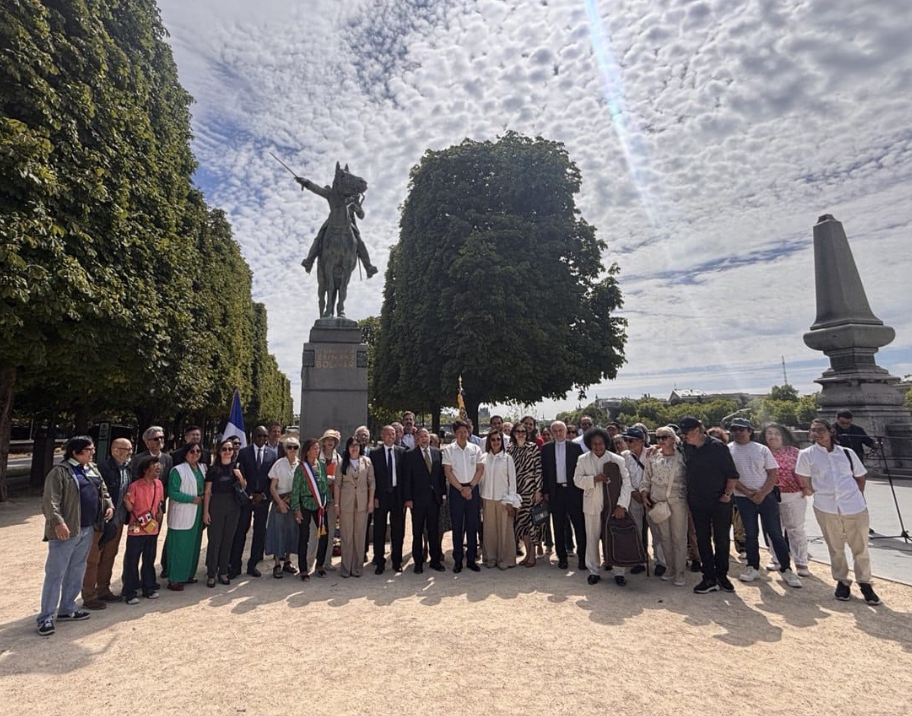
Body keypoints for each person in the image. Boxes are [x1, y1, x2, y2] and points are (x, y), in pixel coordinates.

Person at [796, 419, 881, 605]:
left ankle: (865, 582)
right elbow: (804, 479)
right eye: (813, 430)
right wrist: (817, 492)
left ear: (830, 431)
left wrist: (856, 496)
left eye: (820, 430)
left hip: (854, 506)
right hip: (826, 506)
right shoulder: (806, 455)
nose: (816, 434)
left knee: (860, 547)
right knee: (835, 547)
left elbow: (860, 477)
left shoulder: (847, 453)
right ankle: (842, 581)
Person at [36, 437, 113, 637]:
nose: (92, 452)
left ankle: (67, 608)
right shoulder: (60, 472)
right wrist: (57, 522)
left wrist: (108, 505)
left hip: (87, 528)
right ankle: (45, 617)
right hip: (66, 530)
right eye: (89, 450)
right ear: (75, 452)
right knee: (56, 574)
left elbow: (103, 491)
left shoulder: (92, 468)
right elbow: (50, 501)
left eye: (92, 449)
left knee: (77, 570)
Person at [727, 418, 802, 588]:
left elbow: (772, 474)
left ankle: (786, 568)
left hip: (766, 496)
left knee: (775, 533)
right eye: (734, 429)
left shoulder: (761, 449)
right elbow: (731, 475)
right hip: (743, 497)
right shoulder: (728, 450)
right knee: (750, 533)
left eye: (741, 429)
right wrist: (748, 493)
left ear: (750, 431)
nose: (738, 432)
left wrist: (762, 493)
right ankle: (753, 566)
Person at [679, 416, 739, 595]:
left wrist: (727, 495)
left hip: (719, 500)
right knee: (702, 539)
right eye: (683, 433)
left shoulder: (718, 447)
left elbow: (732, 474)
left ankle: (722, 575)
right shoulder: (686, 447)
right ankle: (709, 577)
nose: (685, 436)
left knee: (721, 540)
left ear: (698, 430)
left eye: (687, 433)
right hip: (697, 501)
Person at [573, 427, 631, 586]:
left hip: (613, 505)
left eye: (600, 443)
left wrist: (622, 505)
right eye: (594, 444)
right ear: (589, 444)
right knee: (592, 539)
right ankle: (594, 571)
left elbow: (626, 483)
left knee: (615, 538)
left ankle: (618, 572)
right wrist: (593, 479)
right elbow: (577, 480)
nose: (598, 446)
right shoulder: (583, 459)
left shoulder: (617, 459)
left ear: (606, 443)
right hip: (592, 505)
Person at [82, 437, 133, 609]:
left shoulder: (127, 469)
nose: (130, 453)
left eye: (130, 449)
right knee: (93, 560)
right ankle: (89, 595)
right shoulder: (102, 469)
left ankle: (103, 590)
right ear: (115, 450)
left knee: (109, 557)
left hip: (118, 521)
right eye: (127, 449)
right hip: (100, 523)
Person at [759, 423, 811, 576]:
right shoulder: (760, 452)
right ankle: (776, 559)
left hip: (793, 495)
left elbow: (804, 472)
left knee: (796, 529)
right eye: (769, 433)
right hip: (769, 496)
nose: (773, 437)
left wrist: (806, 487)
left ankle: (801, 561)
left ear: (784, 436)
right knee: (773, 530)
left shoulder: (795, 452)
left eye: (777, 433)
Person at [641, 426, 689, 586]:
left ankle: (680, 571)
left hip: (677, 499)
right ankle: (670, 568)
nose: (660, 440)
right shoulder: (653, 456)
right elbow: (647, 478)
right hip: (658, 500)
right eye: (658, 437)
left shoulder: (682, 457)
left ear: (672, 439)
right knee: (664, 536)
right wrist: (644, 493)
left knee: (679, 537)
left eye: (664, 437)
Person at [230, 426, 276, 578]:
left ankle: (253, 565)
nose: (262, 439)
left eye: (265, 436)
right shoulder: (244, 453)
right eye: (259, 436)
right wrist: (249, 494)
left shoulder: (272, 454)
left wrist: (263, 495)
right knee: (240, 531)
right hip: (246, 499)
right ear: (253, 436)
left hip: (263, 499)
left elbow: (272, 478)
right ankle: (235, 566)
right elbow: (240, 475)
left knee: (259, 532)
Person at [541, 421, 586, 571]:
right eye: (555, 431)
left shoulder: (575, 447)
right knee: (558, 526)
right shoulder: (546, 448)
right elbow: (545, 472)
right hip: (556, 492)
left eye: (561, 430)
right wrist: (546, 492)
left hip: (573, 491)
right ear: (551, 433)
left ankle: (582, 557)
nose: (558, 433)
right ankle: (562, 557)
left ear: (566, 431)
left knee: (579, 525)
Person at [122, 455, 165, 604]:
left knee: (149, 559)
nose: (158, 468)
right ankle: (130, 592)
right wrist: (127, 502)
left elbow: (159, 503)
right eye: (154, 465)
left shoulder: (159, 484)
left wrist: (159, 514)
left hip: (152, 527)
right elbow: (129, 507)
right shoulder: (135, 486)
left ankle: (149, 588)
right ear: (146, 469)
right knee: (132, 561)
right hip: (136, 528)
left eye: (159, 465)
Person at [443, 419, 485, 573]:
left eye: (465, 431)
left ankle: (472, 558)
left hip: (472, 488)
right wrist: (461, 488)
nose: (462, 434)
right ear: (455, 433)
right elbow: (448, 472)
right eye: (459, 432)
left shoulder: (475, 449)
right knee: (457, 526)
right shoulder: (449, 450)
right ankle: (458, 559)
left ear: (468, 432)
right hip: (457, 490)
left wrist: (471, 487)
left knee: (472, 524)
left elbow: (480, 469)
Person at [204, 438, 246, 587]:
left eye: (230, 449)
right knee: (215, 541)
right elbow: (207, 492)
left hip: (233, 506)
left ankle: (223, 571)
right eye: (224, 449)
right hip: (216, 505)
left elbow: (243, 486)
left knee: (228, 540)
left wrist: (239, 476)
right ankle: (211, 573)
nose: (227, 452)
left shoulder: (237, 467)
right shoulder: (213, 469)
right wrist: (205, 512)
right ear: (219, 452)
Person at [403, 428, 447, 573]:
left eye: (426, 436)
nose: (424, 438)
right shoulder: (410, 455)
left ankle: (435, 561)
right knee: (417, 532)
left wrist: (443, 495)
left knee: (434, 531)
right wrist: (408, 498)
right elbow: (407, 478)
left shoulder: (437, 453)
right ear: (416, 438)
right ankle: (418, 562)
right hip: (417, 501)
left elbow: (441, 477)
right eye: (421, 436)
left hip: (434, 500)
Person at [164, 442, 206, 591]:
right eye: (192, 451)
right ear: (185, 453)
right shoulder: (178, 470)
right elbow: (173, 492)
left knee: (193, 545)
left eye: (198, 451)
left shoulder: (203, 468)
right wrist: (191, 499)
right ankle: (175, 579)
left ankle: (188, 575)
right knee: (180, 547)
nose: (195, 454)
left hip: (198, 511)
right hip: (183, 511)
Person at [132, 425, 173, 578]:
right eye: (156, 438)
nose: (160, 441)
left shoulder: (168, 459)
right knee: (136, 547)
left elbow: (167, 483)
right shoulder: (138, 459)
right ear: (147, 442)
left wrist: (160, 503)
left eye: (162, 438)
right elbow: (134, 482)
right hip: (140, 511)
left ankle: (148, 579)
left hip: (158, 510)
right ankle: (131, 581)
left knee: (151, 543)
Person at [621, 427, 660, 576]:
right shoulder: (624, 456)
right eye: (626, 440)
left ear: (640, 441)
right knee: (636, 529)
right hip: (633, 495)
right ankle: (638, 560)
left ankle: (660, 561)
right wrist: (633, 492)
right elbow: (624, 477)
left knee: (656, 530)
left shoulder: (652, 453)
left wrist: (646, 493)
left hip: (650, 496)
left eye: (631, 440)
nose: (628, 443)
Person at [336, 437, 375, 578]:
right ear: (347, 448)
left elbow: (372, 483)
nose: (354, 448)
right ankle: (346, 568)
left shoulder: (367, 461)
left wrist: (370, 502)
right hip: (346, 503)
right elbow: (337, 485)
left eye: (357, 445)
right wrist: (337, 504)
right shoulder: (342, 463)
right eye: (352, 446)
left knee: (359, 535)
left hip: (362, 503)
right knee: (347, 535)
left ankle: (357, 567)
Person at [370, 425, 406, 573]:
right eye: (388, 434)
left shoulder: (402, 452)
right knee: (379, 529)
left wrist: (405, 497)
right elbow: (372, 477)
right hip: (381, 496)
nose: (391, 437)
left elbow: (405, 477)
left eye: (393, 434)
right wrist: (374, 496)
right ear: (382, 436)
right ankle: (379, 562)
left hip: (397, 496)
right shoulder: (374, 454)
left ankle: (397, 561)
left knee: (398, 530)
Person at [479, 430, 517, 570]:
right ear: (489, 441)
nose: (496, 442)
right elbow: (480, 480)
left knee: (505, 530)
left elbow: (512, 481)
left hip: (503, 499)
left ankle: (505, 558)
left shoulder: (507, 459)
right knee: (489, 529)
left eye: (498, 439)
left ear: (502, 441)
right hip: (487, 498)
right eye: (493, 439)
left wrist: (510, 501)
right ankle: (490, 557)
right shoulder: (483, 458)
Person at [292, 438, 330, 580]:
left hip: (320, 505)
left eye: (318, 448)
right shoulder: (301, 468)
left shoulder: (321, 465)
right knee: (304, 536)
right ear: (307, 451)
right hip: (305, 504)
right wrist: (296, 509)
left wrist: (327, 500)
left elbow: (324, 484)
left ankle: (319, 565)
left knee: (324, 534)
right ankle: (303, 569)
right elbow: (295, 489)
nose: (317, 450)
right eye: (314, 448)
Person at [508, 422, 544, 567]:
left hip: (531, 491)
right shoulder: (510, 449)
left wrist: (538, 490)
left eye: (523, 431)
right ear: (514, 433)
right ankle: (527, 554)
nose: (521, 434)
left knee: (532, 524)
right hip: (517, 492)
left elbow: (538, 469)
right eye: (518, 431)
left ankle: (532, 555)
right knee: (521, 524)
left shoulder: (533, 447)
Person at [265, 437, 300, 579]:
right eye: (289, 447)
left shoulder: (300, 465)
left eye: (295, 447)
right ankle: (277, 564)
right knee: (278, 532)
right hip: (280, 501)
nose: (292, 450)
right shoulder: (279, 464)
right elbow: (272, 487)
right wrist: (280, 502)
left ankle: (287, 561)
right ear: (285, 449)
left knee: (291, 532)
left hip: (293, 502)